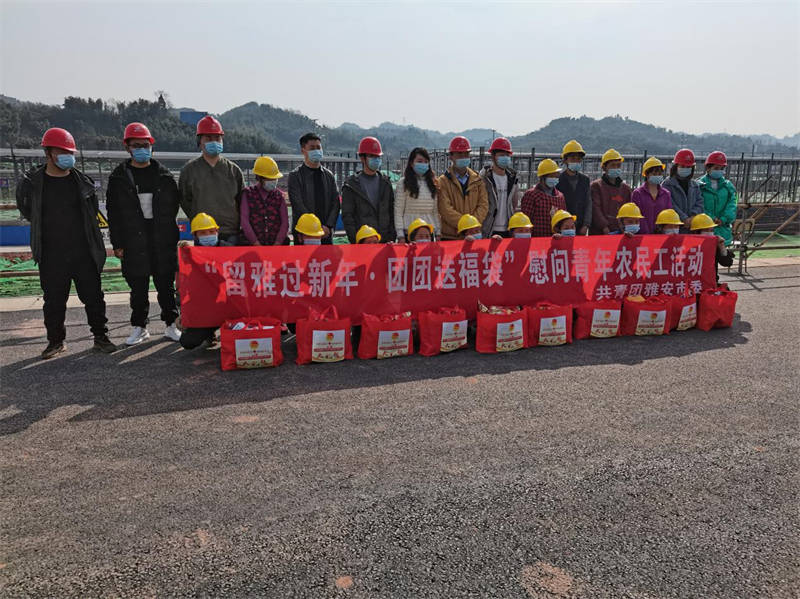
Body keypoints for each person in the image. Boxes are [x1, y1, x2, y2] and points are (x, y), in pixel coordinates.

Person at [16, 128, 116, 358]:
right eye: (61, 151)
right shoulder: (33, 183)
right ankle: (56, 342)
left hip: (84, 251)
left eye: (69, 152)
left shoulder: (82, 182)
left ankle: (101, 337)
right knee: (53, 300)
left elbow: (92, 212)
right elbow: (28, 210)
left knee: (94, 297)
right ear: (48, 153)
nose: (67, 156)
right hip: (52, 253)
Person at [106, 122, 181, 346]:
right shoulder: (119, 178)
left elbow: (173, 207)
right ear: (127, 147)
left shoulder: (163, 175)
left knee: (165, 285)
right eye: (136, 145)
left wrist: (170, 237)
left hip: (161, 238)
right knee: (138, 287)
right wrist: (118, 243)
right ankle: (140, 327)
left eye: (145, 145)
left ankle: (171, 324)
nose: (141, 149)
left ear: (151, 146)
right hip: (133, 239)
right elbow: (113, 212)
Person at [178, 115, 244, 245]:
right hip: (203, 233)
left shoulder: (234, 170)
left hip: (230, 232)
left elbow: (242, 201)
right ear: (199, 141)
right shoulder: (189, 171)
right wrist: (198, 220)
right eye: (208, 138)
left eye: (217, 138)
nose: (214, 142)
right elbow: (185, 200)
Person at [178, 213, 235, 350]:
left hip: (231, 305)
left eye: (211, 231)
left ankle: (233, 333)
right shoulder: (190, 255)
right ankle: (209, 332)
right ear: (195, 236)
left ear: (217, 231)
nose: (208, 235)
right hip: (207, 309)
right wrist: (184, 313)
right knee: (188, 341)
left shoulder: (230, 250)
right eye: (203, 233)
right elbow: (184, 286)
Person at [287, 133, 340, 245]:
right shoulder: (295, 176)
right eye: (312, 148)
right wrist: (313, 228)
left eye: (318, 147)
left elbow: (335, 203)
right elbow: (298, 205)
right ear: (303, 150)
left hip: (326, 233)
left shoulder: (329, 175)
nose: (316, 151)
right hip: (304, 235)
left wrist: (329, 226)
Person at [341, 137, 395, 244]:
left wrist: (391, 238)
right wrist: (356, 241)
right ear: (362, 158)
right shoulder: (351, 186)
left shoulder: (386, 183)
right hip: (363, 242)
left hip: (384, 241)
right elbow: (348, 217)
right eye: (372, 156)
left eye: (378, 157)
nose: (376, 160)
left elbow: (392, 212)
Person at [437, 136, 488, 240]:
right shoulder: (443, 181)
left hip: (474, 234)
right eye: (459, 154)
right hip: (451, 236)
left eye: (466, 154)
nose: (463, 157)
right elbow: (445, 209)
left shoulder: (477, 180)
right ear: (451, 156)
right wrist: (466, 226)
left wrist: (472, 226)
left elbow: (483, 205)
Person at [240, 156, 288, 246]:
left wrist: (278, 243)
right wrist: (255, 243)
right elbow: (244, 221)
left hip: (276, 246)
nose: (273, 181)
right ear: (259, 177)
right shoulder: (248, 194)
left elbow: (285, 222)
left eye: (275, 178)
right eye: (269, 178)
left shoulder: (279, 196)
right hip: (251, 245)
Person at [480, 137, 522, 238]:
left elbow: (514, 203)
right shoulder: (484, 178)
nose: (505, 158)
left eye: (507, 155)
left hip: (507, 229)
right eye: (502, 155)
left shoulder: (513, 179)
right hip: (489, 229)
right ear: (493, 156)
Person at [394, 147, 440, 241]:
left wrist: (438, 232)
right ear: (411, 163)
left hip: (428, 233)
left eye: (426, 162)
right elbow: (398, 211)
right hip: (409, 233)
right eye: (419, 161)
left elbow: (435, 211)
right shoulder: (403, 183)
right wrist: (400, 234)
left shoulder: (433, 183)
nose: (423, 164)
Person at [699, 151, 737, 246]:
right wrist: (711, 218)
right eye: (716, 168)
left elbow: (732, 205)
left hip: (723, 231)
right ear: (708, 168)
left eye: (721, 169)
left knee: (724, 254)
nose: (719, 171)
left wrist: (724, 219)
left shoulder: (728, 186)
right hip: (705, 229)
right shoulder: (699, 186)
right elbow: (698, 205)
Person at [520, 159, 566, 237]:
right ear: (542, 177)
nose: (554, 178)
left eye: (556, 176)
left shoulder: (560, 196)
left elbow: (564, 220)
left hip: (556, 239)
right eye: (551, 176)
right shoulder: (531, 195)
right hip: (537, 239)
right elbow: (525, 221)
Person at [590, 148, 632, 234]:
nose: (616, 168)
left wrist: (626, 227)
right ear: (604, 167)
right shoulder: (596, 186)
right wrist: (604, 226)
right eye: (612, 165)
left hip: (621, 231)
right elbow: (595, 209)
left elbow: (629, 211)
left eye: (618, 165)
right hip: (600, 232)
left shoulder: (626, 189)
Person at [556, 140, 592, 234]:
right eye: (572, 158)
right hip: (564, 227)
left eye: (578, 159)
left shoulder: (585, 180)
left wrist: (586, 225)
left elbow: (588, 203)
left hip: (581, 226)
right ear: (565, 160)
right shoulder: (558, 180)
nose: (576, 161)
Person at [663, 148, 704, 231]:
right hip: (674, 228)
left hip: (692, 228)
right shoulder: (667, 184)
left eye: (688, 167)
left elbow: (700, 203)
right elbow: (670, 204)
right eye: (682, 166)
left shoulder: (695, 185)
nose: (685, 168)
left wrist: (693, 216)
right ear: (676, 166)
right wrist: (684, 218)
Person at [630, 156, 672, 234]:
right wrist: (646, 232)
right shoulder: (637, 193)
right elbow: (637, 216)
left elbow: (669, 215)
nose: (657, 175)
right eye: (654, 173)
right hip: (642, 235)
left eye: (659, 173)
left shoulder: (666, 194)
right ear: (646, 174)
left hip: (661, 235)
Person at [690, 213, 734, 282]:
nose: (709, 233)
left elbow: (727, 263)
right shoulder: (688, 247)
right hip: (693, 283)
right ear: (696, 232)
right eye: (706, 230)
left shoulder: (714, 246)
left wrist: (722, 247)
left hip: (712, 283)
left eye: (711, 230)